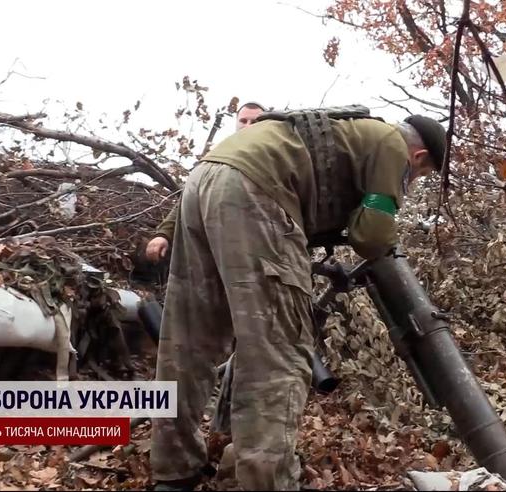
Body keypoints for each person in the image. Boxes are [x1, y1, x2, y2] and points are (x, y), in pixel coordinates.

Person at [150, 109, 446, 491]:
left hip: (202, 182)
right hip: (255, 192)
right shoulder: (393, 145)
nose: (414, 179)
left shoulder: (345, 132)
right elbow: (372, 236)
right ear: (419, 157)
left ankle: (174, 469)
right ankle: (267, 482)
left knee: (188, 340)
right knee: (277, 351)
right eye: (420, 174)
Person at [145, 101, 267, 263]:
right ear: (236, 123)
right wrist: (164, 234)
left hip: (259, 252)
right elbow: (190, 197)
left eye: (255, 122)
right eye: (243, 121)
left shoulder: (275, 158)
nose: (248, 126)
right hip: (213, 251)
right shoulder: (217, 157)